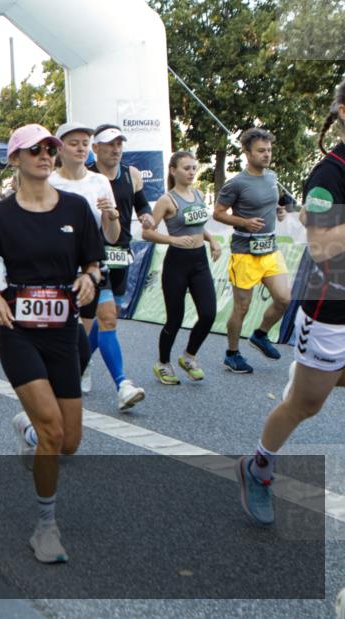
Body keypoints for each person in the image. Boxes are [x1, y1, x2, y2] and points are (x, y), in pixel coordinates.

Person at [0, 124, 102, 564]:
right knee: (53, 431)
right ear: (16, 159)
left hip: (64, 331)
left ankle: (26, 429)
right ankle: (45, 526)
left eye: (51, 148)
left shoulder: (77, 208)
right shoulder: (0, 216)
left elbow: (94, 263)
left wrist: (88, 278)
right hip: (19, 330)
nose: (47, 155)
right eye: (36, 150)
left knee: (69, 442)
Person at [238, 77, 345, 525]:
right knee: (306, 404)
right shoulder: (330, 173)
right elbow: (321, 247)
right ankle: (258, 466)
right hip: (331, 308)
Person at [50, 123, 121, 394]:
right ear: (60, 148)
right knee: (64, 325)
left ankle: (82, 365)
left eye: (84, 143)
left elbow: (112, 236)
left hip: (90, 263)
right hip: (57, 263)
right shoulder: (50, 181)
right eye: (73, 143)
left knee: (87, 325)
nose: (81, 148)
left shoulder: (99, 181)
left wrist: (111, 214)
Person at [213, 128, 290, 374]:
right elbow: (218, 213)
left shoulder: (271, 177)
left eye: (269, 150)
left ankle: (260, 335)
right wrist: (244, 222)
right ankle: (232, 353)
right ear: (247, 153)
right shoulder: (235, 183)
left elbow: (272, 199)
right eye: (261, 151)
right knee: (242, 308)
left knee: (284, 299)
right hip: (245, 252)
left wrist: (279, 209)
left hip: (270, 249)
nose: (266, 155)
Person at [141, 152, 222, 384]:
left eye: (194, 168)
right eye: (186, 168)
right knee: (174, 319)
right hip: (177, 263)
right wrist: (173, 240)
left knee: (208, 314)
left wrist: (213, 241)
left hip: (200, 262)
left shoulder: (197, 193)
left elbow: (198, 227)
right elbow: (147, 232)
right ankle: (163, 363)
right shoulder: (167, 200)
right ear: (173, 170)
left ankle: (189, 356)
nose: (191, 172)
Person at [88, 124, 152, 410]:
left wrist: (147, 217)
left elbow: (141, 205)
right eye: (109, 144)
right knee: (107, 318)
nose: (115, 149)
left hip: (121, 252)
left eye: (119, 144)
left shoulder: (132, 174)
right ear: (95, 149)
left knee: (106, 317)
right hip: (91, 255)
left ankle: (79, 360)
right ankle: (122, 384)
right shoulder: (86, 177)